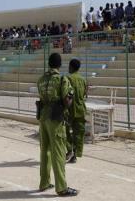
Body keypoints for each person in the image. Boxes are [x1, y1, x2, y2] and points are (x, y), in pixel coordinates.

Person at [37, 53, 78, 197]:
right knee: (59, 152)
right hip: (55, 118)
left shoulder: (41, 79)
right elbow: (67, 102)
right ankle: (61, 187)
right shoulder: (62, 79)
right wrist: (71, 94)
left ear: (49, 64)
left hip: (43, 117)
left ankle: (44, 183)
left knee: (45, 151)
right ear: (59, 65)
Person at [65, 59, 87, 164]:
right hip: (81, 110)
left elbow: (65, 95)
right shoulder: (83, 80)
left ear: (71, 67)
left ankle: (69, 151)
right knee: (78, 134)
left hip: (70, 110)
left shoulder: (67, 78)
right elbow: (84, 95)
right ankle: (75, 154)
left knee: (66, 131)